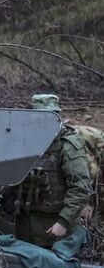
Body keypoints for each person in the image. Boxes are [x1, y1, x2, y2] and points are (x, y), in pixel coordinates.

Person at [14, 94, 91, 248]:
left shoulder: (67, 145)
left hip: (55, 228)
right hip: (25, 224)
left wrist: (63, 222)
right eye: (40, 116)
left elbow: (80, 187)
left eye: (50, 116)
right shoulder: (26, 141)